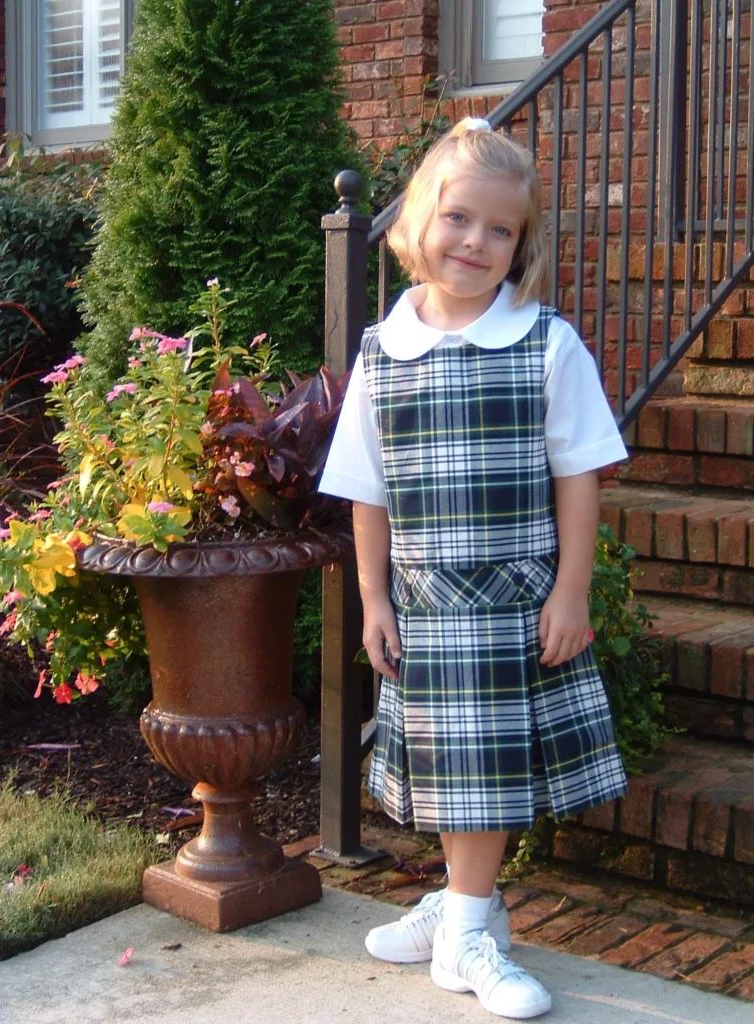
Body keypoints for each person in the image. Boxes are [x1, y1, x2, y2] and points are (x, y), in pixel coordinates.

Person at [319, 117, 628, 1020]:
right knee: (456, 770)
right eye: (459, 218)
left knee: (484, 771)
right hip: (425, 603)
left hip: (511, 603)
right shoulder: (382, 352)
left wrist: (571, 590)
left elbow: (579, 474)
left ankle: (463, 933)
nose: (476, 242)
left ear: (521, 243)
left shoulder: (545, 344)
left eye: (501, 229)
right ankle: (465, 911)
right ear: (420, 218)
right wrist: (373, 598)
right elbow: (368, 490)